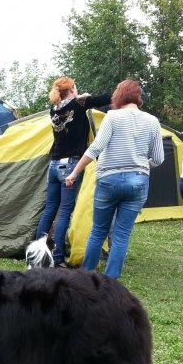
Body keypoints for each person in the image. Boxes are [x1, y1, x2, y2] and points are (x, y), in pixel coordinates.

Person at [64, 79, 164, 279]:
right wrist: (143, 166)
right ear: (138, 98)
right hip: (138, 181)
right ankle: (110, 283)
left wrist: (74, 172)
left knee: (98, 231)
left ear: (118, 96)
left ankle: (86, 278)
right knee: (122, 234)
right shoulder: (152, 121)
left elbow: (96, 148)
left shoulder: (112, 117)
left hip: (108, 179)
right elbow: (159, 158)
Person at [34, 77, 110, 267]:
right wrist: (86, 96)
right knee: (65, 212)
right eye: (76, 87)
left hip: (53, 165)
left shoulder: (54, 109)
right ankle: (57, 257)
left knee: (50, 209)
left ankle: (37, 254)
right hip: (70, 165)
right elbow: (107, 98)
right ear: (72, 89)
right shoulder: (79, 103)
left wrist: (81, 97)